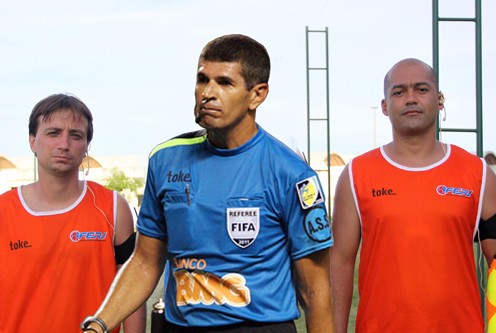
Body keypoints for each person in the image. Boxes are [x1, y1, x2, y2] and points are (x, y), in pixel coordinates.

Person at [81, 34, 335, 333]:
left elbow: (315, 291)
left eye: (224, 83)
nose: (207, 93)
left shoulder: (292, 174)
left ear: (257, 94)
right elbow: (145, 262)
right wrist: (99, 324)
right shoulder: (165, 160)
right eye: (202, 80)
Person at [330, 58, 496, 332]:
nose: (410, 98)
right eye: (399, 92)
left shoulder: (479, 174)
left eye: (421, 89)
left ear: (439, 100)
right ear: (385, 106)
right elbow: (339, 264)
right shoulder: (356, 174)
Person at [0, 94, 146, 332]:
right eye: (53, 132)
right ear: (32, 141)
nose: (64, 144)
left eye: (75, 135)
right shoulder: (3, 211)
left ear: (87, 146)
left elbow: (133, 290)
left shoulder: (113, 207)